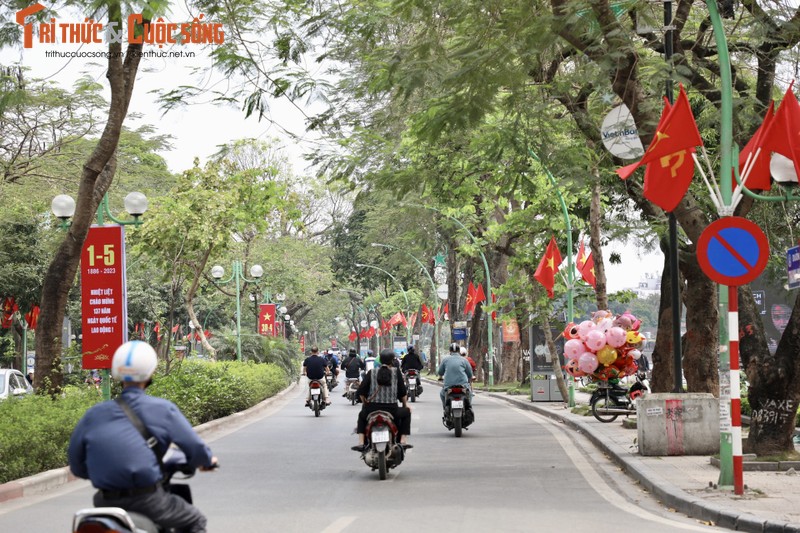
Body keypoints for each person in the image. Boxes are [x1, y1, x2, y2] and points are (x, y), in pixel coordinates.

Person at [68, 341, 217, 533]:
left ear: (117, 373)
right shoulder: (163, 410)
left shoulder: (94, 414)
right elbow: (195, 449)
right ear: (150, 372)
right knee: (195, 520)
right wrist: (207, 461)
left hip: (104, 502)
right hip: (148, 501)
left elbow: (77, 466)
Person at [351, 349, 412, 452]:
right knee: (407, 413)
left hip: (372, 409)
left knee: (362, 415)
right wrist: (405, 405)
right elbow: (402, 393)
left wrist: (365, 402)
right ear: (392, 361)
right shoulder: (396, 372)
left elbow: (361, 392)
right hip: (392, 410)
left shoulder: (372, 372)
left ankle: (361, 442)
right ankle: (403, 440)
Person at [437, 344, 474, 408]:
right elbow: (470, 374)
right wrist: (470, 378)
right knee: (469, 394)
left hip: (448, 386)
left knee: (442, 394)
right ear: (459, 351)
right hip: (463, 385)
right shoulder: (464, 360)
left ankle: (445, 407)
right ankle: (469, 407)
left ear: (450, 351)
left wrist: (441, 376)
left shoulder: (445, 360)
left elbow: (440, 372)